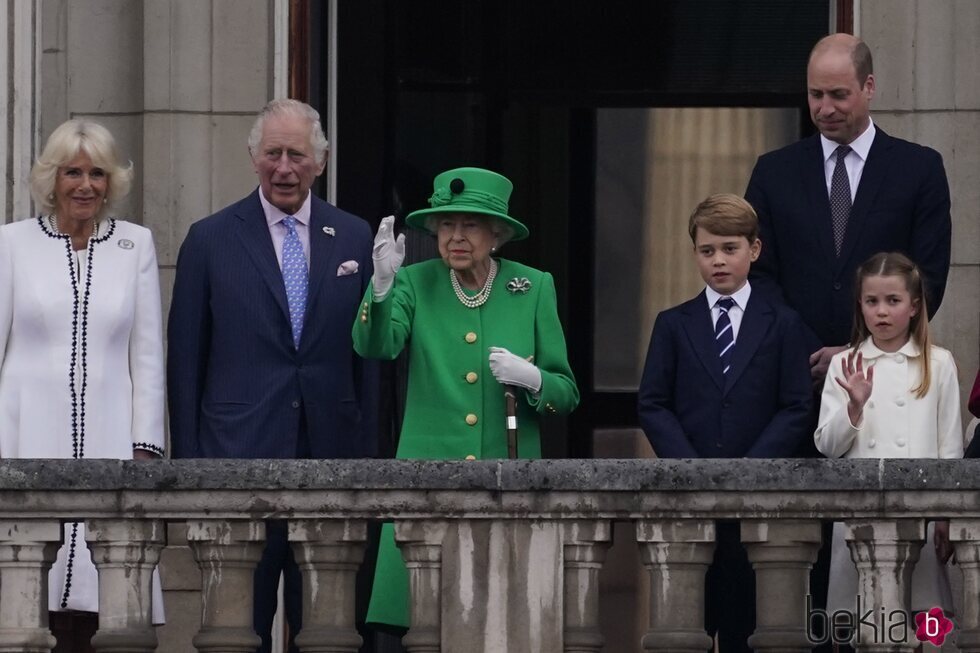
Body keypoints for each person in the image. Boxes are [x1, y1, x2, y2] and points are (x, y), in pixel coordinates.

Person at [167, 99, 377, 652]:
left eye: (298, 155)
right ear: (254, 158)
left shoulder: (355, 239)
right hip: (236, 459)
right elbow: (185, 360)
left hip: (333, 458)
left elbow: (372, 359)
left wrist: (374, 458)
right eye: (273, 154)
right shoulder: (210, 238)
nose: (285, 168)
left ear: (321, 162)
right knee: (235, 632)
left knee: (330, 629)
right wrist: (189, 470)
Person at [354, 167, 579, 629]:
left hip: (507, 490)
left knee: (503, 623)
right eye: (446, 225)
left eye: (470, 225)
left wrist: (533, 378)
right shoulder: (415, 282)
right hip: (428, 483)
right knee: (429, 623)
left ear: (496, 234)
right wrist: (380, 289)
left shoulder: (533, 287)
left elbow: (567, 393)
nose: (455, 237)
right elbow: (377, 346)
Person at [0, 119, 165, 650]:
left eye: (97, 172)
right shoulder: (12, 244)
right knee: (25, 599)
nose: (85, 185)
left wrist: (145, 445)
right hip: (25, 434)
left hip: (111, 437)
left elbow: (147, 353)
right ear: (52, 179)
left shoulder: (134, 244)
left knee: (107, 603)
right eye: (73, 172)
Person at [638, 193, 812, 652]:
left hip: (758, 505)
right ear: (695, 252)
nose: (718, 260)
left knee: (748, 629)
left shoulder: (784, 324)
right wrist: (690, 468)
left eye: (730, 248)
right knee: (686, 630)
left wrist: (751, 469)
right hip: (690, 502)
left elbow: (797, 404)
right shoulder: (672, 324)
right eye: (707, 250)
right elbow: (653, 402)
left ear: (754, 250)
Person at [745, 33, 951, 387]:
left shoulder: (919, 169)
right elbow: (756, 272)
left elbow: (927, 278)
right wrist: (804, 348)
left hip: (884, 380)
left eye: (839, 95)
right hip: (793, 379)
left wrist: (858, 351)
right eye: (815, 95)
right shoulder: (773, 172)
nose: (825, 109)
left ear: (868, 86)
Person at [814, 252, 962, 623]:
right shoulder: (844, 364)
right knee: (863, 624)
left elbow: (950, 451)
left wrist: (946, 517)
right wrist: (854, 408)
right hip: (858, 519)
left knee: (922, 625)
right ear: (860, 305)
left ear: (913, 306)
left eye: (892, 301)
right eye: (872, 301)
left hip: (920, 520)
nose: (881, 311)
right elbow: (827, 446)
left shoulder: (939, 363)